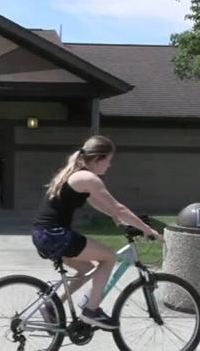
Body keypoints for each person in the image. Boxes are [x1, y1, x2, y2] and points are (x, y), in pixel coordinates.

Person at [31, 135, 161, 330]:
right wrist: (148, 230)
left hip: (44, 234)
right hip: (55, 235)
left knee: (86, 270)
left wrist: (115, 218)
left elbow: (98, 203)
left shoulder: (77, 175)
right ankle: (92, 310)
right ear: (99, 158)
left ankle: (52, 305)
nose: (109, 166)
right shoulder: (88, 178)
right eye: (108, 160)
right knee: (108, 257)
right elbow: (119, 208)